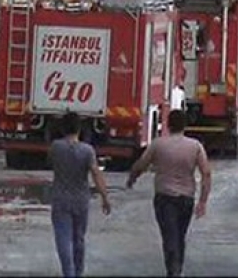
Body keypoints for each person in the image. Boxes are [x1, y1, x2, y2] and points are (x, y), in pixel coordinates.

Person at [126, 110, 212, 277]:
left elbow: (141, 165)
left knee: (169, 236)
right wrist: (203, 201)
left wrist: (132, 178)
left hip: (164, 197)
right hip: (186, 198)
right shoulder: (195, 146)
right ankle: (177, 270)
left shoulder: (158, 144)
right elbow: (206, 173)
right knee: (180, 235)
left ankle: (173, 271)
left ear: (168, 124)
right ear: (185, 125)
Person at [47, 112, 112, 277]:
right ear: (80, 129)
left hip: (60, 198)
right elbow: (96, 174)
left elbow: (51, 163)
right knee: (79, 239)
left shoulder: (56, 147)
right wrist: (104, 197)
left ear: (62, 128)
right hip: (81, 199)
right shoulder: (87, 151)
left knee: (63, 237)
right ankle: (78, 271)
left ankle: (68, 272)